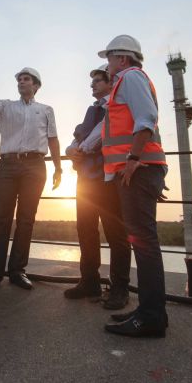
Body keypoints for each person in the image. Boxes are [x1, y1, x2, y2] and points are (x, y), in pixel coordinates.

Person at [95, 35, 169, 338]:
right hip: (137, 172)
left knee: (144, 243)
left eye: (110, 59)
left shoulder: (130, 77)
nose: (108, 65)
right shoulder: (126, 82)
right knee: (142, 241)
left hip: (137, 171)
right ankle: (149, 312)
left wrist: (134, 160)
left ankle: (151, 317)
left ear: (122, 59)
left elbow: (146, 119)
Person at [0, 60, 62, 292]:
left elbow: (53, 139)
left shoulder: (46, 110)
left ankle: (17, 271)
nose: (21, 82)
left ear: (36, 85)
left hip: (35, 166)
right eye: (19, 80)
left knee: (26, 220)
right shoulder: (6, 106)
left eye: (26, 79)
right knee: (1, 218)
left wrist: (58, 168)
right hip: (8, 165)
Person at [64, 64, 131, 310]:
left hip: (110, 178)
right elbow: (80, 136)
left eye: (98, 81)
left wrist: (80, 150)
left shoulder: (117, 106)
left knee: (116, 234)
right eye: (92, 82)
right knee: (86, 230)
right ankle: (89, 281)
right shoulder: (92, 110)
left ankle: (120, 288)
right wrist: (71, 150)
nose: (92, 85)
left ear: (111, 83)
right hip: (87, 179)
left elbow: (100, 135)